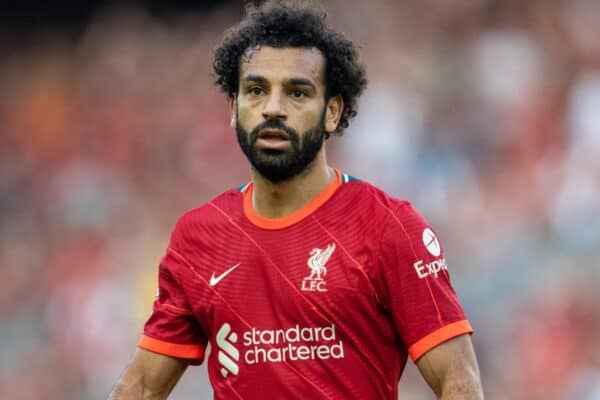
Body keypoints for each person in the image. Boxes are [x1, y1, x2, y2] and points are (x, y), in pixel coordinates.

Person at [107, 1, 483, 399]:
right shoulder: (199, 237)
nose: (273, 108)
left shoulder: (388, 226)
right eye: (255, 90)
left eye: (297, 93)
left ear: (332, 112)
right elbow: (143, 385)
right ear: (234, 109)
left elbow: (458, 381)